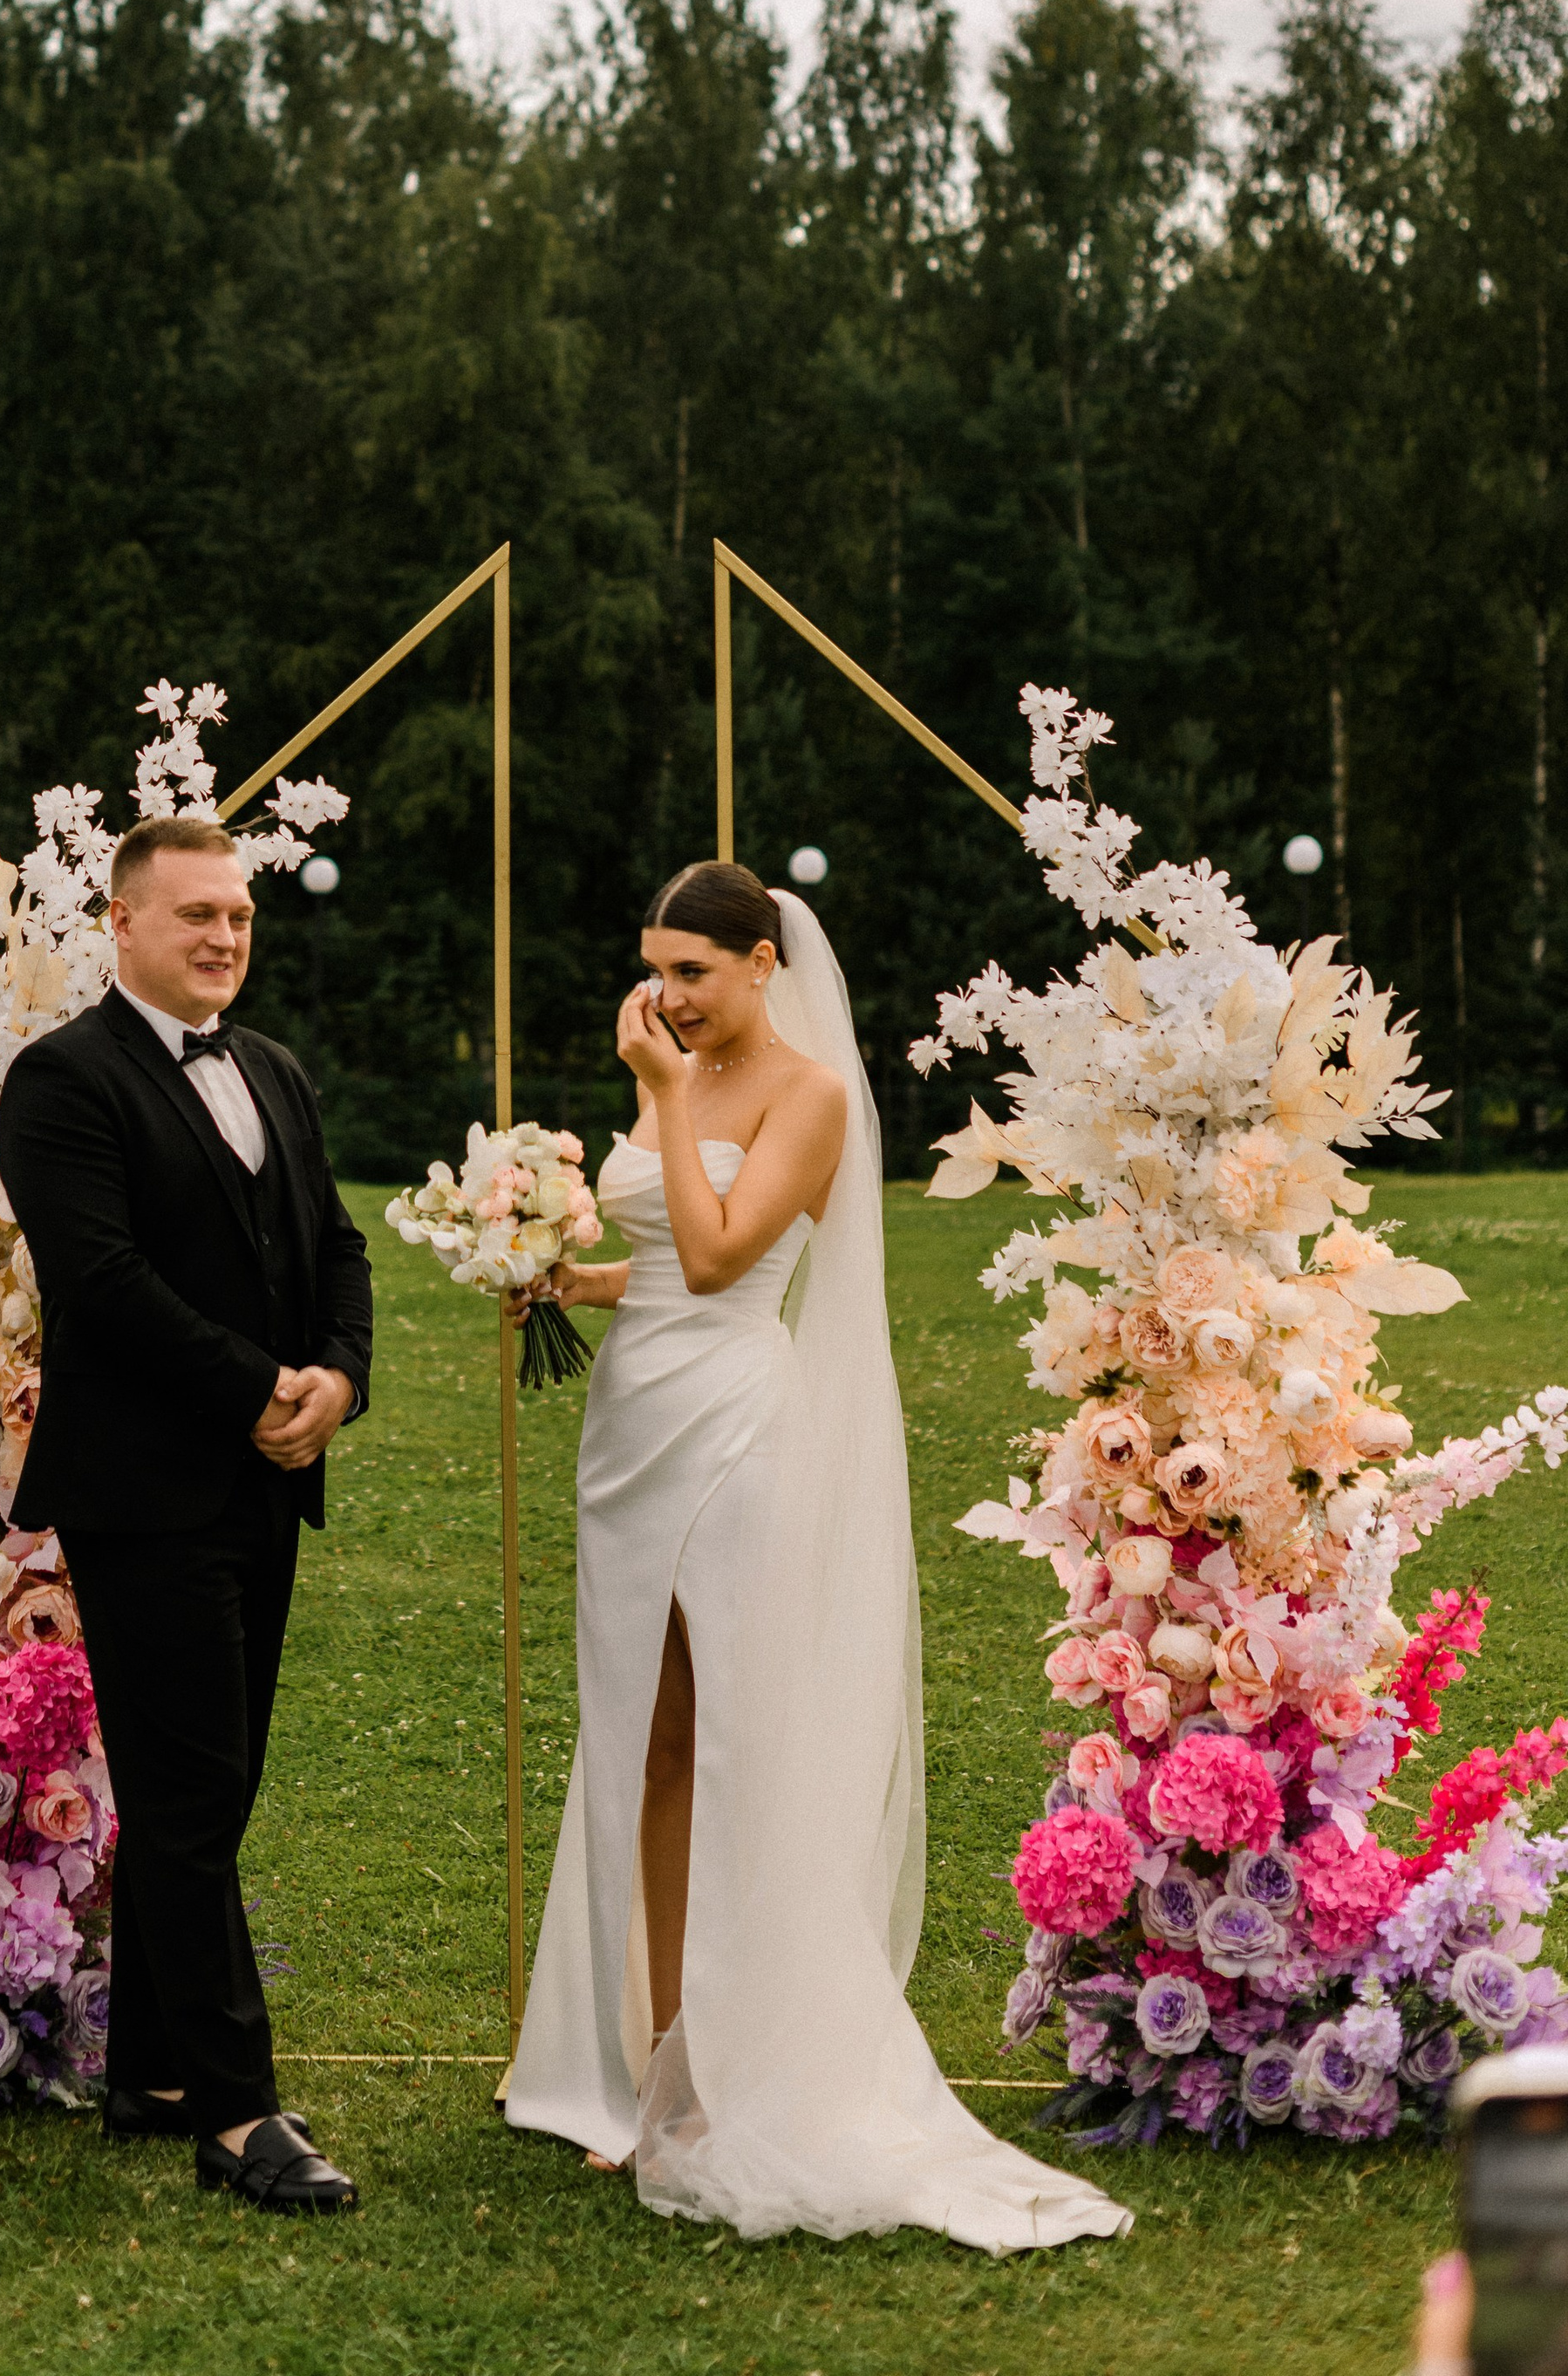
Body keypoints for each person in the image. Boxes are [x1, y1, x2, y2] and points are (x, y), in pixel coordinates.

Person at [501, 858, 1131, 2251]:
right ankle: (648, 2054)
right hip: (631, 1429)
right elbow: (659, 1255)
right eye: (657, 968)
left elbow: (726, 1262)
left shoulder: (812, 1095)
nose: (668, 996)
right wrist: (553, 1267)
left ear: (763, 966)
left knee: (730, 1738)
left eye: (694, 973)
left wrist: (663, 1102)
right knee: (643, 1739)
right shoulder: (679, 1069)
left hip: (733, 1428)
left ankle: (737, 2064)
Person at [0, 814, 372, 2216]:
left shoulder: (271, 1066)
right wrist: (257, 1386)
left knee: (209, 1784)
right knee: (189, 1791)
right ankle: (235, 2112)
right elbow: (101, 1282)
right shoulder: (62, 1080)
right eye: (195, 915)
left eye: (239, 916)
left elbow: (334, 1238)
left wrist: (340, 1374)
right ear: (123, 924)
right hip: (144, 1488)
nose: (224, 937)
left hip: (267, 1476)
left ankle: (149, 2069)